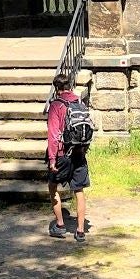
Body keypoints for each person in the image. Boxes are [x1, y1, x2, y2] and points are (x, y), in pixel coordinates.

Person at [47, 70, 92, 243]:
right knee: (79, 190)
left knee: (53, 186)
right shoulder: (79, 102)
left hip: (62, 154)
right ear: (69, 86)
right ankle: (80, 230)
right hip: (79, 152)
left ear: (57, 88)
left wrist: (52, 160)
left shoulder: (56, 105)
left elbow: (53, 135)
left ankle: (60, 225)